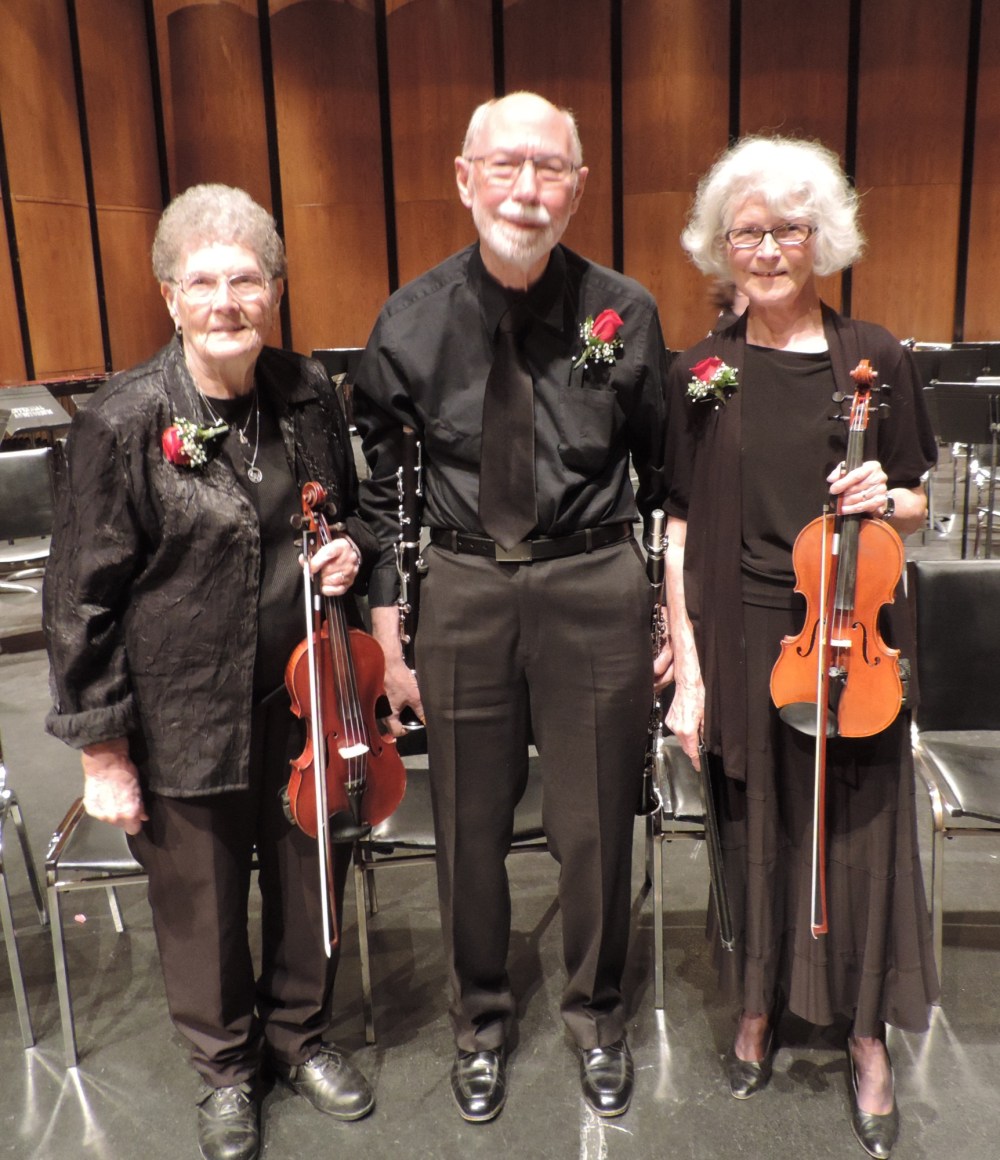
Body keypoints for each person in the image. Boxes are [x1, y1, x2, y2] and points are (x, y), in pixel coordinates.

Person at [351, 91, 671, 1122]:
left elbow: (664, 469)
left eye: (550, 168)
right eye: (506, 165)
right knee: (468, 822)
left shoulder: (624, 313)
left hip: (593, 581)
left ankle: (598, 1015)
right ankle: (479, 1022)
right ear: (465, 178)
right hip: (464, 587)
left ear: (577, 187)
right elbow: (381, 491)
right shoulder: (407, 320)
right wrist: (389, 628)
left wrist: (667, 617)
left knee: (594, 823)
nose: (527, 189)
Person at [44, 184, 379, 1160]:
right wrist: (102, 750)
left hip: (305, 696)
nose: (226, 300)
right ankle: (226, 1069)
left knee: (309, 873)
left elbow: (350, 513)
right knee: (201, 903)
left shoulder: (306, 391)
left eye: (246, 279)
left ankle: (299, 1035)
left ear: (274, 289)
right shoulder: (123, 419)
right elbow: (77, 597)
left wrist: (351, 550)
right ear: (170, 296)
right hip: (180, 707)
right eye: (202, 282)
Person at [663, 136, 939, 1159]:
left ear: (822, 238)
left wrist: (885, 497)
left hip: (851, 628)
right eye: (748, 232)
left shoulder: (876, 356)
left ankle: (865, 1037)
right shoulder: (699, 371)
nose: (769, 249)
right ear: (720, 246)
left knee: (862, 835)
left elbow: (916, 503)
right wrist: (687, 672)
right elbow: (678, 528)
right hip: (740, 629)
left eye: (789, 228)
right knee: (752, 826)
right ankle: (756, 1007)